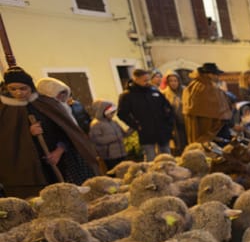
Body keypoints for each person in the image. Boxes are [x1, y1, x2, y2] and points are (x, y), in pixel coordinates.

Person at [0, 67, 98, 197]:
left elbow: (66, 131)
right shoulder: (3, 109)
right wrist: (28, 134)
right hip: (25, 172)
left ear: (31, 87)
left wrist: (59, 151)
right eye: (13, 89)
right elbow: (6, 140)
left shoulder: (45, 103)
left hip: (57, 164)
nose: (18, 93)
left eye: (23, 88)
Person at [117, 69, 175, 160]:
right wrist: (136, 125)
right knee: (150, 157)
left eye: (148, 79)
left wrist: (168, 122)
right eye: (145, 80)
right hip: (146, 131)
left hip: (162, 130)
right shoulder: (127, 95)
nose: (148, 82)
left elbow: (167, 106)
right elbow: (122, 114)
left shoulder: (153, 91)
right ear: (136, 79)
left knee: (167, 155)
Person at [181, 63, 231, 144]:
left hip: (197, 128)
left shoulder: (192, 85)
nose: (218, 77)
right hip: (210, 130)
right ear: (209, 74)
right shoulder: (208, 88)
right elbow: (221, 111)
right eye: (216, 74)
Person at [89, 99, 130, 171]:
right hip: (109, 156)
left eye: (113, 113)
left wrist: (133, 128)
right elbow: (97, 140)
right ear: (103, 112)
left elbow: (123, 134)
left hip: (121, 153)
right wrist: (115, 138)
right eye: (111, 113)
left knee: (124, 172)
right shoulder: (96, 124)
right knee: (113, 174)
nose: (113, 115)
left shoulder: (114, 122)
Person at [161, 70, 187, 154]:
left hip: (186, 121)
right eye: (171, 81)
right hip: (174, 124)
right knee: (178, 144)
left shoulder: (185, 91)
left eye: (175, 80)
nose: (173, 83)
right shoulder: (164, 93)